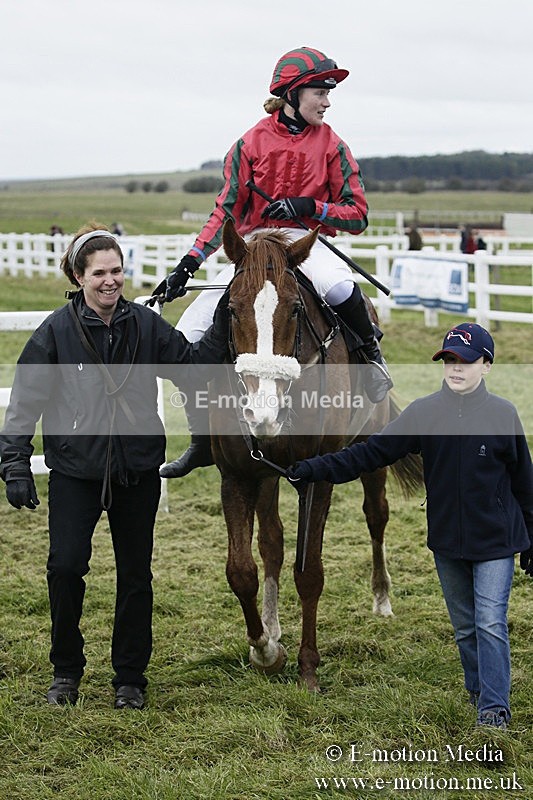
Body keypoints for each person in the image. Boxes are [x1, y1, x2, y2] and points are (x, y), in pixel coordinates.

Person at [0, 224, 229, 709]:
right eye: (100, 272)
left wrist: (228, 314)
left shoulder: (146, 326)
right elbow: (25, 401)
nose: (111, 281)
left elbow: (191, 365)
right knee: (64, 569)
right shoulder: (56, 332)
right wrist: (15, 463)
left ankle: (130, 678)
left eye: (118, 271)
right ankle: (66, 672)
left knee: (135, 576)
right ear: (79, 277)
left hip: (136, 472)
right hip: (74, 473)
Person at [150, 46, 393, 480]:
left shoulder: (333, 144)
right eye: (321, 90)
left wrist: (310, 206)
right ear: (294, 93)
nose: (327, 100)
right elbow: (224, 211)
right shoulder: (249, 143)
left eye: (328, 92)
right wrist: (188, 264)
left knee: (339, 289)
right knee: (188, 332)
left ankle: (372, 361)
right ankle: (203, 439)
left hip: (304, 241)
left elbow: (358, 214)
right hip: (253, 246)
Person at [287, 322, 533, 729]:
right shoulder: (424, 413)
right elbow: (369, 454)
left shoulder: (503, 414)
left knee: (490, 623)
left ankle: (494, 710)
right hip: (447, 543)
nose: (456, 369)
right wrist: (314, 469)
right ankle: (478, 691)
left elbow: (525, 482)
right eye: (449, 360)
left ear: (486, 366)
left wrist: (531, 539)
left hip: (496, 542)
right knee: (466, 627)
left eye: (466, 362)